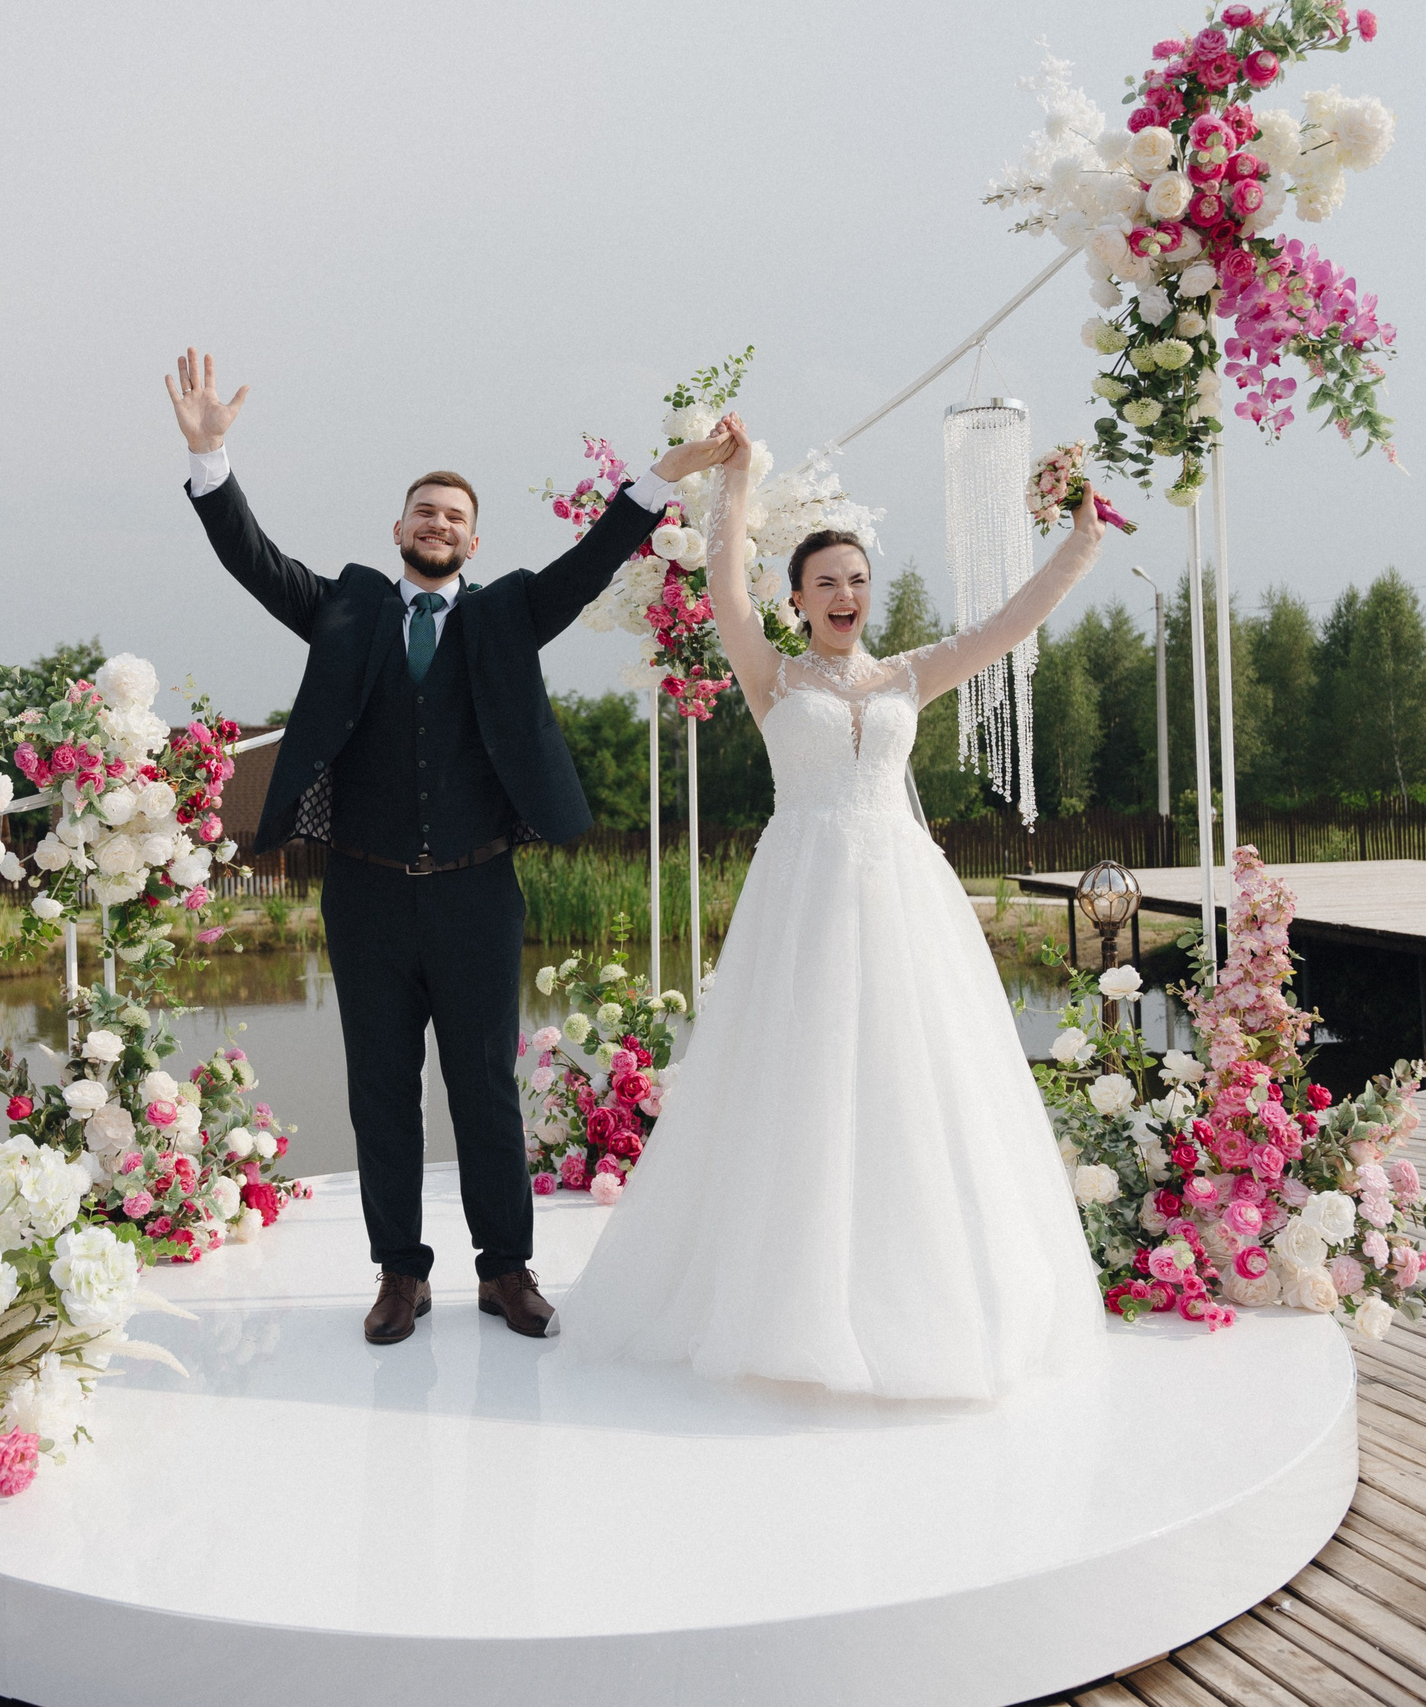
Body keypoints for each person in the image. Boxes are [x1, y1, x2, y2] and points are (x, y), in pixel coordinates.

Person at [165, 345, 733, 1345]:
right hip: (366, 893)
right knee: (379, 1089)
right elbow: (254, 559)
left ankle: (505, 1271)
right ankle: (398, 1276)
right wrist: (212, 463)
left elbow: (595, 556)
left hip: (478, 895)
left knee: (484, 1093)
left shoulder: (508, 614)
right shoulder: (346, 606)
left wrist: (665, 478)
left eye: (455, 516)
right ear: (399, 531)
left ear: (474, 541)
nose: (439, 523)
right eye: (424, 510)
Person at [557, 414, 1111, 1399]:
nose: (845, 593)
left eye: (856, 579)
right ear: (800, 599)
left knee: (911, 1083)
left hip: (902, 895)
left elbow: (1007, 626)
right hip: (803, 893)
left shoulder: (909, 674)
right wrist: (737, 477)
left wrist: (1078, 537)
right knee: (797, 1084)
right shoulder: (772, 677)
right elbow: (724, 584)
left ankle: (918, 1292)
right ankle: (785, 1299)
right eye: (826, 582)